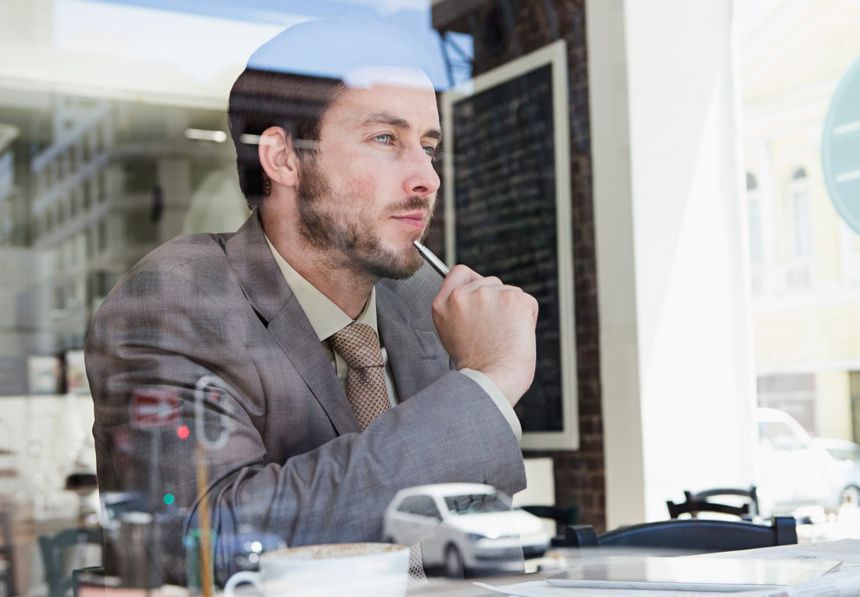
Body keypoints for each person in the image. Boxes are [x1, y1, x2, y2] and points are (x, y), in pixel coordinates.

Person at [84, 18, 538, 584]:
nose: (428, 177)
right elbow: (207, 542)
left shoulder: (428, 301)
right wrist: (483, 386)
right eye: (385, 139)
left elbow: (477, 549)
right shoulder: (177, 299)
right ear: (283, 159)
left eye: (427, 146)